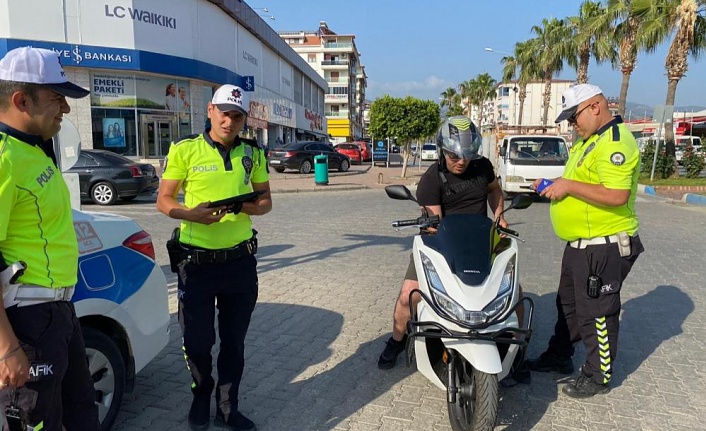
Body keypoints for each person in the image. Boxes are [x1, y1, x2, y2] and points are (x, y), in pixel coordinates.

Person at [157, 84, 271, 431]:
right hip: (196, 266)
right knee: (197, 342)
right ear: (210, 111)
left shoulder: (252, 153)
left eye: (237, 116)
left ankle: (227, 406)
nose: (230, 121)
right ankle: (200, 393)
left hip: (239, 264)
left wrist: (243, 205)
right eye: (224, 113)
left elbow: (265, 203)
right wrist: (190, 215)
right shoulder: (185, 149)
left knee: (234, 342)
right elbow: (163, 200)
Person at [0, 47, 98, 430]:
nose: (67, 109)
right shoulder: (4, 158)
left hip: (57, 316)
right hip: (26, 322)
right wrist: (7, 348)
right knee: (35, 422)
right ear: (21, 100)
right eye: (57, 98)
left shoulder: (36, 150)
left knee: (81, 414)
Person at [526, 83, 644, 398]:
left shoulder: (615, 143)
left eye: (574, 116)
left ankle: (598, 375)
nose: (572, 125)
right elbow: (580, 183)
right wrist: (554, 184)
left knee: (598, 312)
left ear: (595, 106)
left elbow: (617, 195)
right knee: (567, 303)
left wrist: (567, 186)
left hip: (603, 246)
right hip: (580, 245)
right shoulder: (589, 141)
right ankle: (559, 355)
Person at [377, 116, 509, 370]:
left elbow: (494, 190)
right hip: (442, 244)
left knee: (513, 292)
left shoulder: (483, 167)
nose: (461, 161)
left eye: (467, 156)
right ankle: (396, 340)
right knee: (408, 294)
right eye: (454, 156)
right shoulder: (431, 179)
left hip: (481, 243)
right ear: (442, 150)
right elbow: (435, 225)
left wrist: (500, 214)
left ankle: (514, 351)